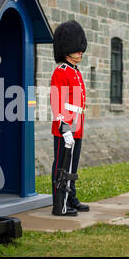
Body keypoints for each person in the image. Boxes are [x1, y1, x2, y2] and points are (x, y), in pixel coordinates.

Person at [50, 20, 90, 216]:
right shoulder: (61, 71)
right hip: (65, 127)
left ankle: (70, 198)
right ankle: (60, 204)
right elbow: (58, 103)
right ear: (66, 49)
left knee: (72, 166)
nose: (80, 52)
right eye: (77, 48)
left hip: (78, 125)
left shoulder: (75, 71)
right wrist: (65, 129)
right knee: (61, 166)